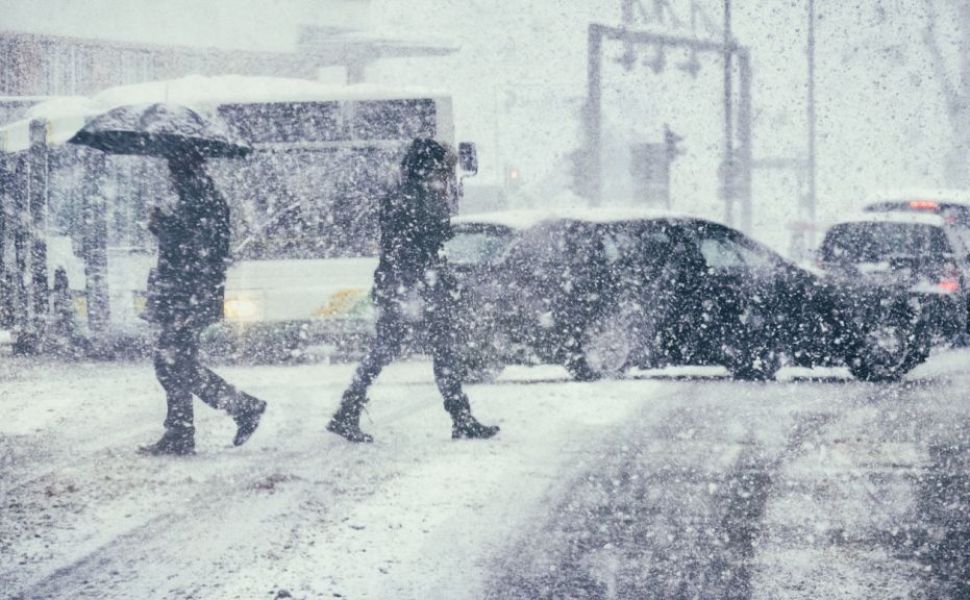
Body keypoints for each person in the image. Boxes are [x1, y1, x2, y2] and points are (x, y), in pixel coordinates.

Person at [327, 138, 500, 443]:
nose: (446, 174)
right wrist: (419, 284)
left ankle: (348, 411)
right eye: (443, 168)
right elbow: (421, 242)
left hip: (405, 286)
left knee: (399, 349)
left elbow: (413, 242)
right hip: (412, 288)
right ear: (429, 167)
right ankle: (459, 418)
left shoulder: (406, 194)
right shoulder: (417, 197)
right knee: (425, 349)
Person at [138, 147, 267, 456]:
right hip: (188, 293)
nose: (170, 177)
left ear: (182, 170)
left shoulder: (200, 199)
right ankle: (189, 428)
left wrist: (162, 225)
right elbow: (196, 245)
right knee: (176, 363)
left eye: (173, 170)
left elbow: (194, 249)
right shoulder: (200, 197)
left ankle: (227, 413)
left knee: (172, 362)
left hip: (188, 295)